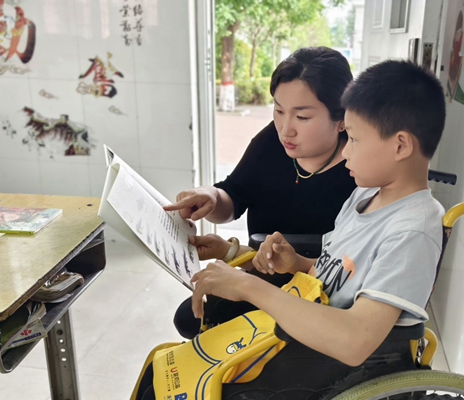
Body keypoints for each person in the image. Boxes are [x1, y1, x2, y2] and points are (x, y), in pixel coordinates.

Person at [133, 59, 447, 399]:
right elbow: (337, 275)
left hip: (328, 365)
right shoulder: (366, 195)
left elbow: (355, 341)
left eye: (354, 139)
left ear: (400, 146)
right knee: (162, 374)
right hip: (305, 336)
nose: (346, 151)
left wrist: (248, 286)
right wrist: (296, 262)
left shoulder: (412, 231)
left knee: (172, 388)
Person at [165, 47, 357, 338]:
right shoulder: (272, 142)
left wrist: (232, 254)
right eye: (279, 111)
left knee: (196, 321)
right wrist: (212, 197)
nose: (285, 130)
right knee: (189, 317)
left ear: (341, 118)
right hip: (262, 274)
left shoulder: (360, 170)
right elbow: (235, 195)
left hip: (318, 296)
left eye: (302, 117)